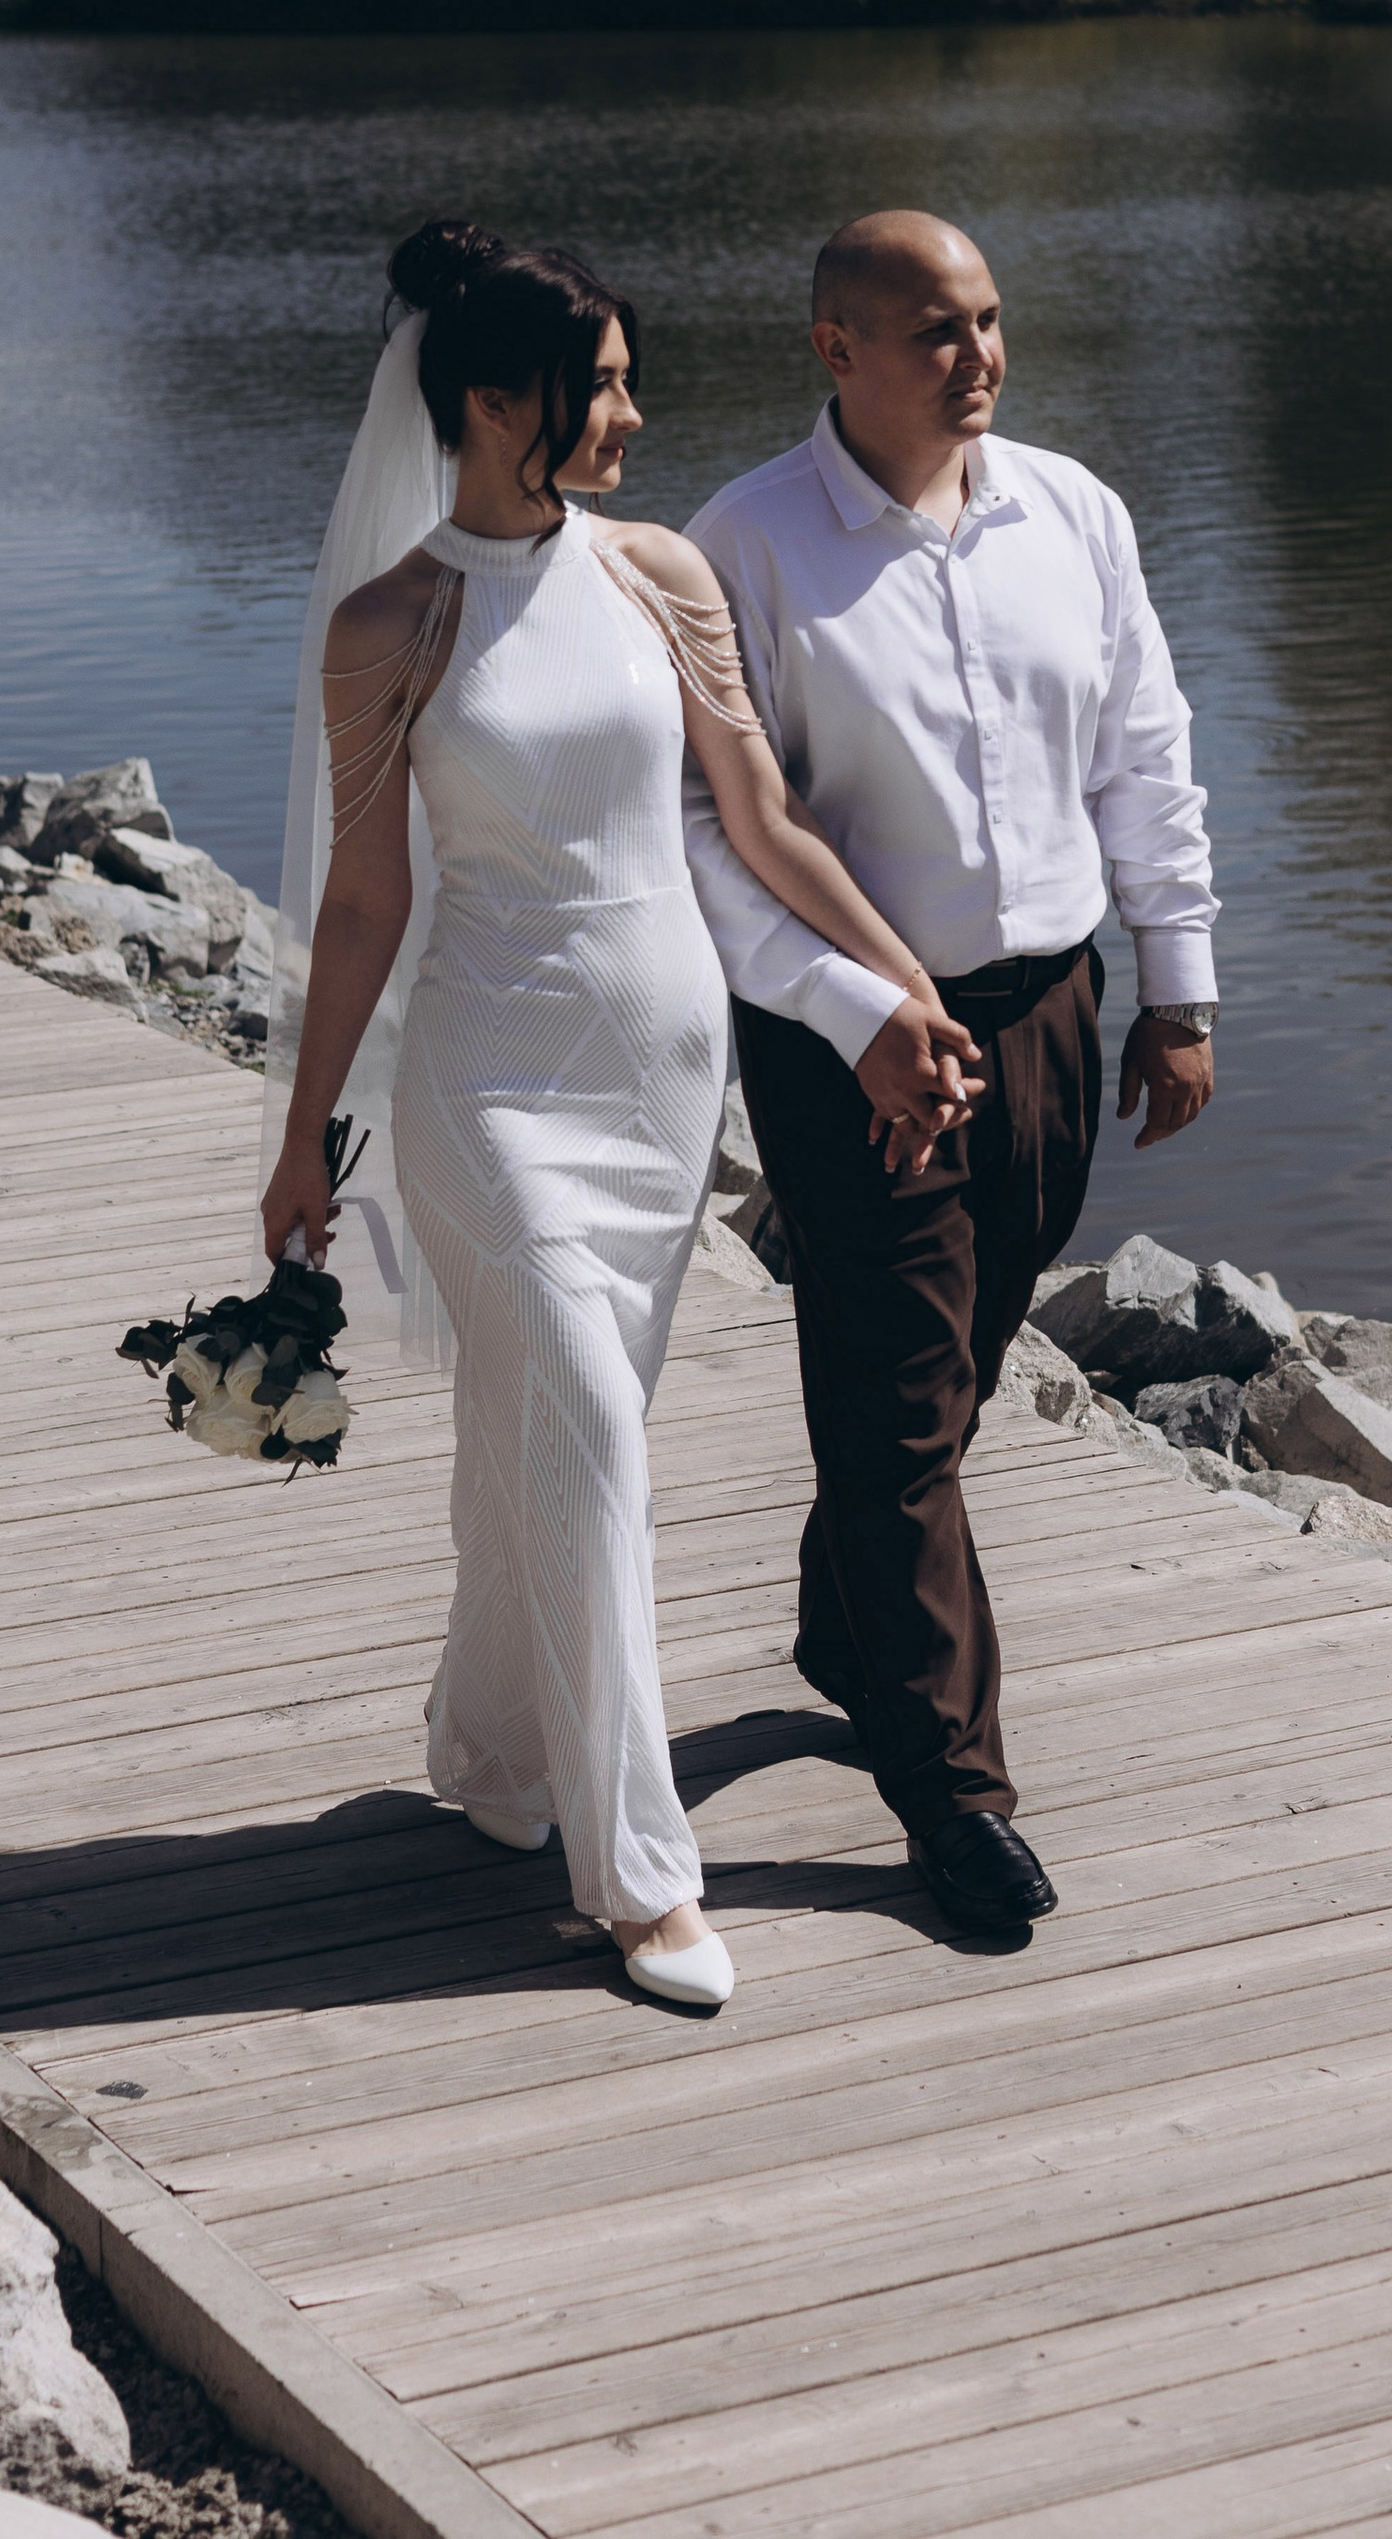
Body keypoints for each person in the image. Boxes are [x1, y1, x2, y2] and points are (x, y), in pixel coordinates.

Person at [260, 221, 978, 2013]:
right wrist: (301, 1138)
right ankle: (643, 1874)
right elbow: (360, 907)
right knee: (588, 1417)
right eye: (603, 387)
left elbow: (766, 823)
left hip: (664, 1081)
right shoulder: (389, 626)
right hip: (488, 1087)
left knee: (557, 1429)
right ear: (498, 402)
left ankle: (491, 1751)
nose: (634, 418)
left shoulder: (660, 575)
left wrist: (901, 989)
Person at [684, 209, 1219, 1935]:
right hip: (856, 1037)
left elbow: (1145, 756)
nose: (980, 358)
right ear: (838, 348)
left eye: (991, 323)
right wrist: (855, 1017)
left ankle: (850, 1624)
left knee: (964, 1354)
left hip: (1052, 1012)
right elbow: (710, 837)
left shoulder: (1077, 513)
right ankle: (955, 1797)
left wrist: (1175, 987)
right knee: (900, 1397)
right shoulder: (744, 548)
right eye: (937, 332)